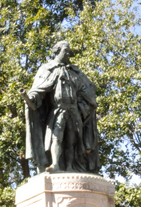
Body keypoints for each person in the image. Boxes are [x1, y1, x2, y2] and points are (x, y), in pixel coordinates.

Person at [23, 40, 100, 174]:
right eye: (65, 50)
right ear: (57, 51)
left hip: (74, 110)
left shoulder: (74, 72)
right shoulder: (47, 69)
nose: (68, 53)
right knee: (56, 138)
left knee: (72, 141)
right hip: (58, 110)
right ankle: (55, 164)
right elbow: (38, 90)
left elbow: (88, 88)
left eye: (69, 50)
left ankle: (70, 166)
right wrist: (31, 98)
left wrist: (85, 105)